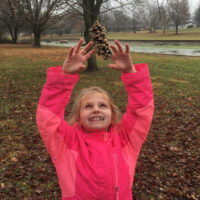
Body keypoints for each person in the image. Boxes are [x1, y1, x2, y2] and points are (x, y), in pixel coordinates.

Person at [36, 38, 154, 200]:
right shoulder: (67, 143)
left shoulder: (126, 139)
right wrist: (64, 78)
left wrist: (131, 73)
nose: (96, 109)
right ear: (78, 116)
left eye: (102, 106)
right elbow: (47, 118)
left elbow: (141, 112)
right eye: (88, 106)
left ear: (112, 114)